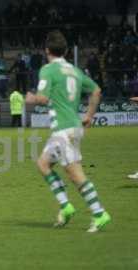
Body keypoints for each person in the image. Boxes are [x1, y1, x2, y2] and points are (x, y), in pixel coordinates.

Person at [25, 31, 111, 233]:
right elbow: (96, 90)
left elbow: (43, 98)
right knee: (43, 163)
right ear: (64, 51)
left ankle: (99, 213)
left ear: (47, 50)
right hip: (70, 128)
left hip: (64, 131)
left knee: (75, 174)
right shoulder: (74, 70)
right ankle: (66, 206)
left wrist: (31, 98)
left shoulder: (48, 70)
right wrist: (89, 115)